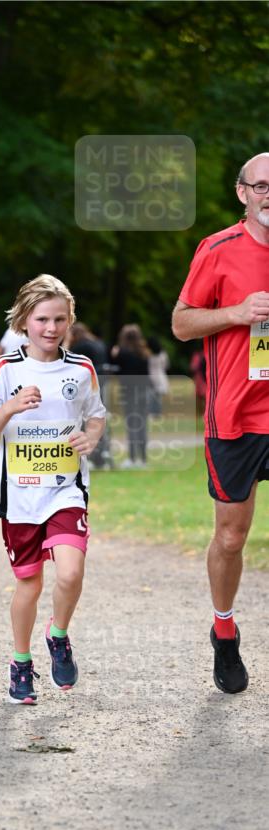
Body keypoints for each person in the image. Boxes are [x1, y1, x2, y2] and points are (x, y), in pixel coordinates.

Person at [0, 275, 106, 703]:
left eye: (60, 320)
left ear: (70, 321)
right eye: (43, 319)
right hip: (20, 498)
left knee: (70, 571)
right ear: (24, 321)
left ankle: (59, 635)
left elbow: (96, 416)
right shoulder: (5, 369)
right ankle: (20, 663)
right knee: (29, 583)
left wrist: (92, 437)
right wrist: (11, 405)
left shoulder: (81, 369)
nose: (51, 328)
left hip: (66, 488)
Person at [172, 151, 269, 695]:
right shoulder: (218, 249)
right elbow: (182, 323)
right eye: (262, 186)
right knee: (232, 537)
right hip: (236, 412)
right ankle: (225, 629)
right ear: (243, 193)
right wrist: (236, 313)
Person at [69, 321, 112, 469]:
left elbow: (64, 360)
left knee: (85, 422)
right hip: (100, 385)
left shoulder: (81, 345)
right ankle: (103, 455)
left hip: (86, 387)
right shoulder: (97, 343)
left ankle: (91, 456)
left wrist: (67, 342)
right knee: (99, 420)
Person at [111, 323, 151, 468]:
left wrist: (114, 356)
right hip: (144, 392)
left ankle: (133, 458)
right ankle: (143, 459)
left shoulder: (121, 352)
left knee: (132, 426)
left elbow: (116, 372)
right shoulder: (144, 353)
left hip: (129, 393)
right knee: (142, 426)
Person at [147, 336, 170, 416]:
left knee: (151, 397)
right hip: (161, 376)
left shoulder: (148, 354)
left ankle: (152, 413)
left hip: (151, 376)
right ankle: (157, 413)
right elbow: (166, 366)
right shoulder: (163, 354)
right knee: (157, 398)